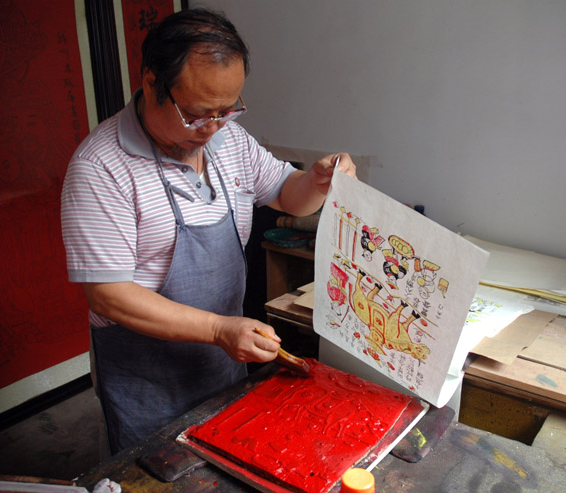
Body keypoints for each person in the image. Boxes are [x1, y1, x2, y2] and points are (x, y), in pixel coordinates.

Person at [61, 7, 356, 455]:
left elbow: (287, 193)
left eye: (227, 110)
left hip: (223, 359)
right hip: (147, 379)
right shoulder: (100, 168)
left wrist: (317, 181)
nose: (213, 128)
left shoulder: (228, 140)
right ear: (151, 82)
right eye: (197, 115)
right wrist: (219, 329)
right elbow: (108, 294)